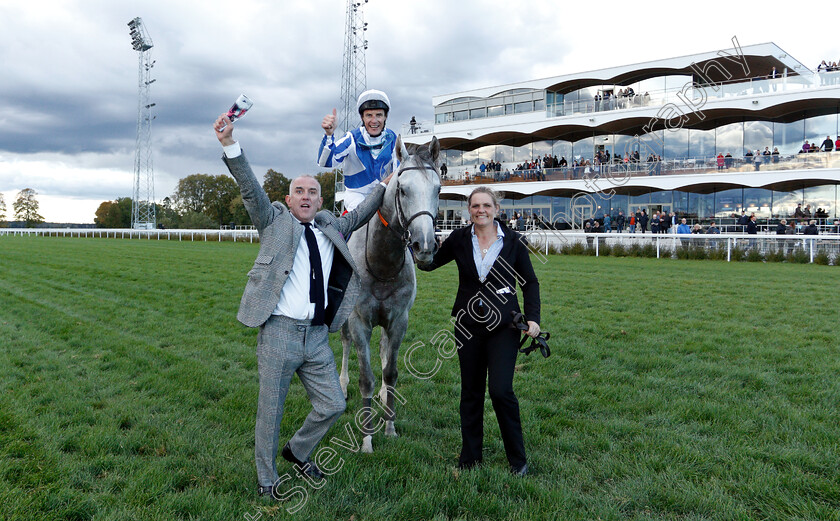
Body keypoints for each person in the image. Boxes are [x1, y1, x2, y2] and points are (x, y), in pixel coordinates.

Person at [215, 113, 394, 499]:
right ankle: (266, 481)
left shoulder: (332, 225)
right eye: (300, 192)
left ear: (320, 199)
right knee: (271, 412)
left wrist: (384, 182)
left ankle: (297, 451)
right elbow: (250, 190)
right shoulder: (274, 221)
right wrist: (231, 144)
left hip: (316, 337)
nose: (307, 197)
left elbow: (362, 212)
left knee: (332, 404)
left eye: (313, 192)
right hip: (279, 331)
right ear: (288, 199)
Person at [417, 186, 540, 477]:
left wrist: (533, 319)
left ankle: (518, 460)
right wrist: (414, 248)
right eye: (475, 206)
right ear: (469, 210)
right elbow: (431, 263)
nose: (480, 210)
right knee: (470, 392)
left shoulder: (514, 242)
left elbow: (530, 283)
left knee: (501, 391)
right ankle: (470, 458)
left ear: (496, 209)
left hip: (504, 326)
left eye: (486, 205)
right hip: (467, 325)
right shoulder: (459, 239)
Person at [317, 89, 404, 211]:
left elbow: (400, 172)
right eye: (369, 115)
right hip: (357, 196)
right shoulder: (351, 138)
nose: (374, 121)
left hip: (385, 194)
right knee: (364, 212)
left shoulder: (393, 138)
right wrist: (329, 135)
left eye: (379, 115)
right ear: (362, 118)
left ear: (385, 117)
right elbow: (325, 162)